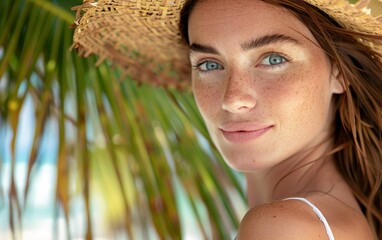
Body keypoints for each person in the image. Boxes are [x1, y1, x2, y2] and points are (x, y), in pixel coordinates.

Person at [72, 0, 382, 239]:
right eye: (209, 64)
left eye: (274, 59)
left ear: (339, 72)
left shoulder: (283, 228)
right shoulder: (341, 216)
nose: (232, 98)